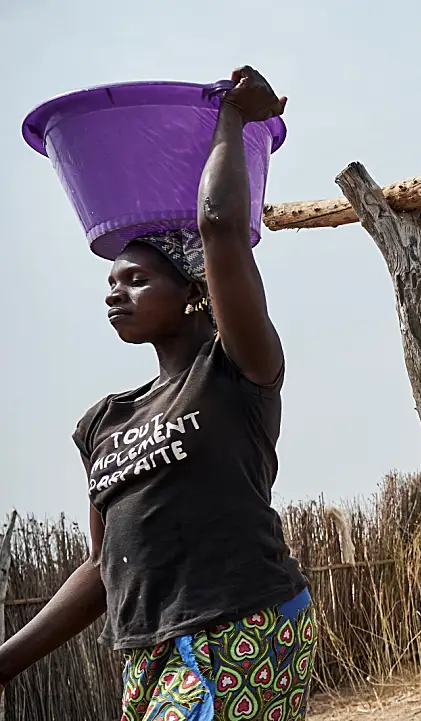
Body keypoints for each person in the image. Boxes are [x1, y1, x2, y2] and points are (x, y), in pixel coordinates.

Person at [0, 66, 317, 720]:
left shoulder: (236, 372)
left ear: (195, 290)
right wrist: (5, 661)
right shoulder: (103, 422)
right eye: (111, 282)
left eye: (138, 278)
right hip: (146, 655)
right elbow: (101, 566)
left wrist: (235, 118)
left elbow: (220, 225)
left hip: (241, 625)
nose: (115, 291)